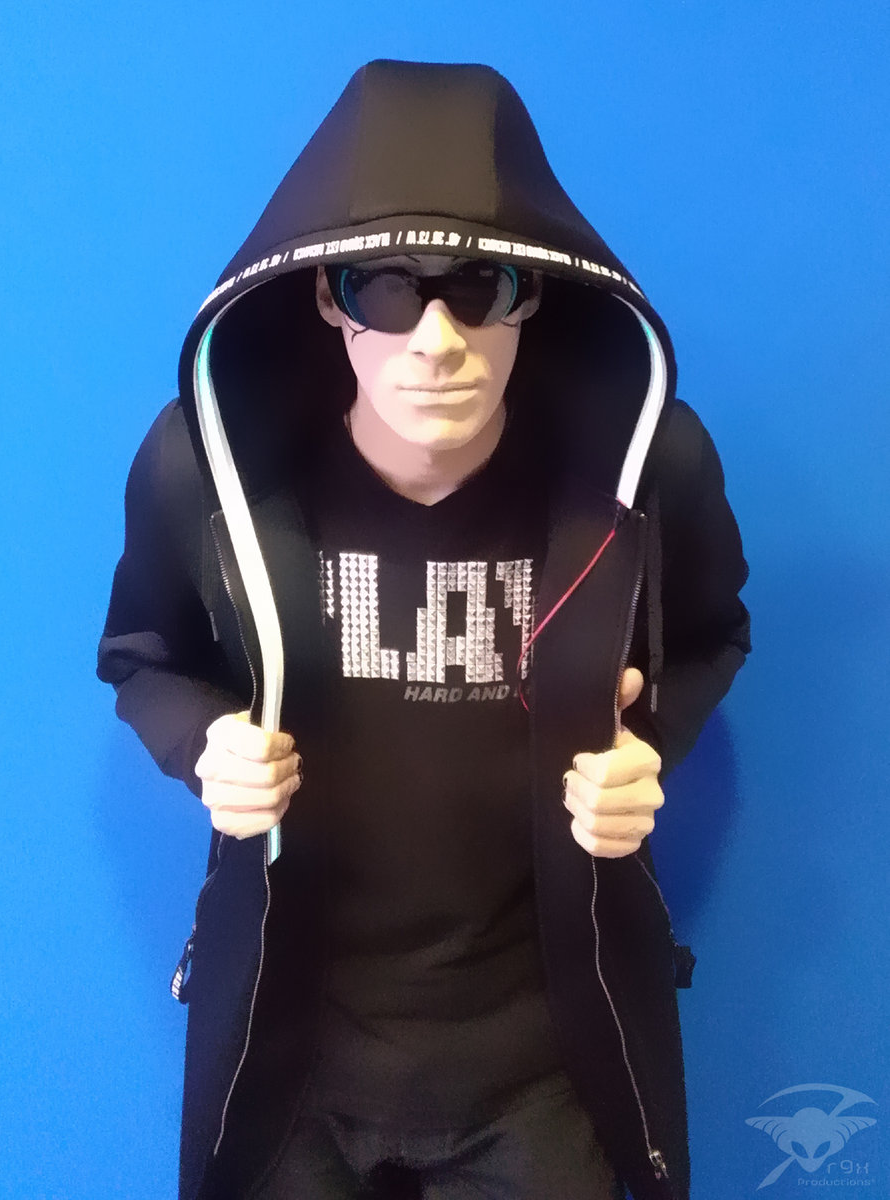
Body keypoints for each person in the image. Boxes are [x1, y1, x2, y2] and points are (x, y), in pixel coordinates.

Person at [97, 59, 750, 1200]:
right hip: (290, 1050)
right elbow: (140, 657)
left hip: (546, 1061)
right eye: (383, 290)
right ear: (325, 299)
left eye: (482, 287)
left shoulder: (644, 471)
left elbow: (712, 633)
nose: (436, 340)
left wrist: (650, 744)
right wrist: (204, 746)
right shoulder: (208, 468)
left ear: (535, 298)